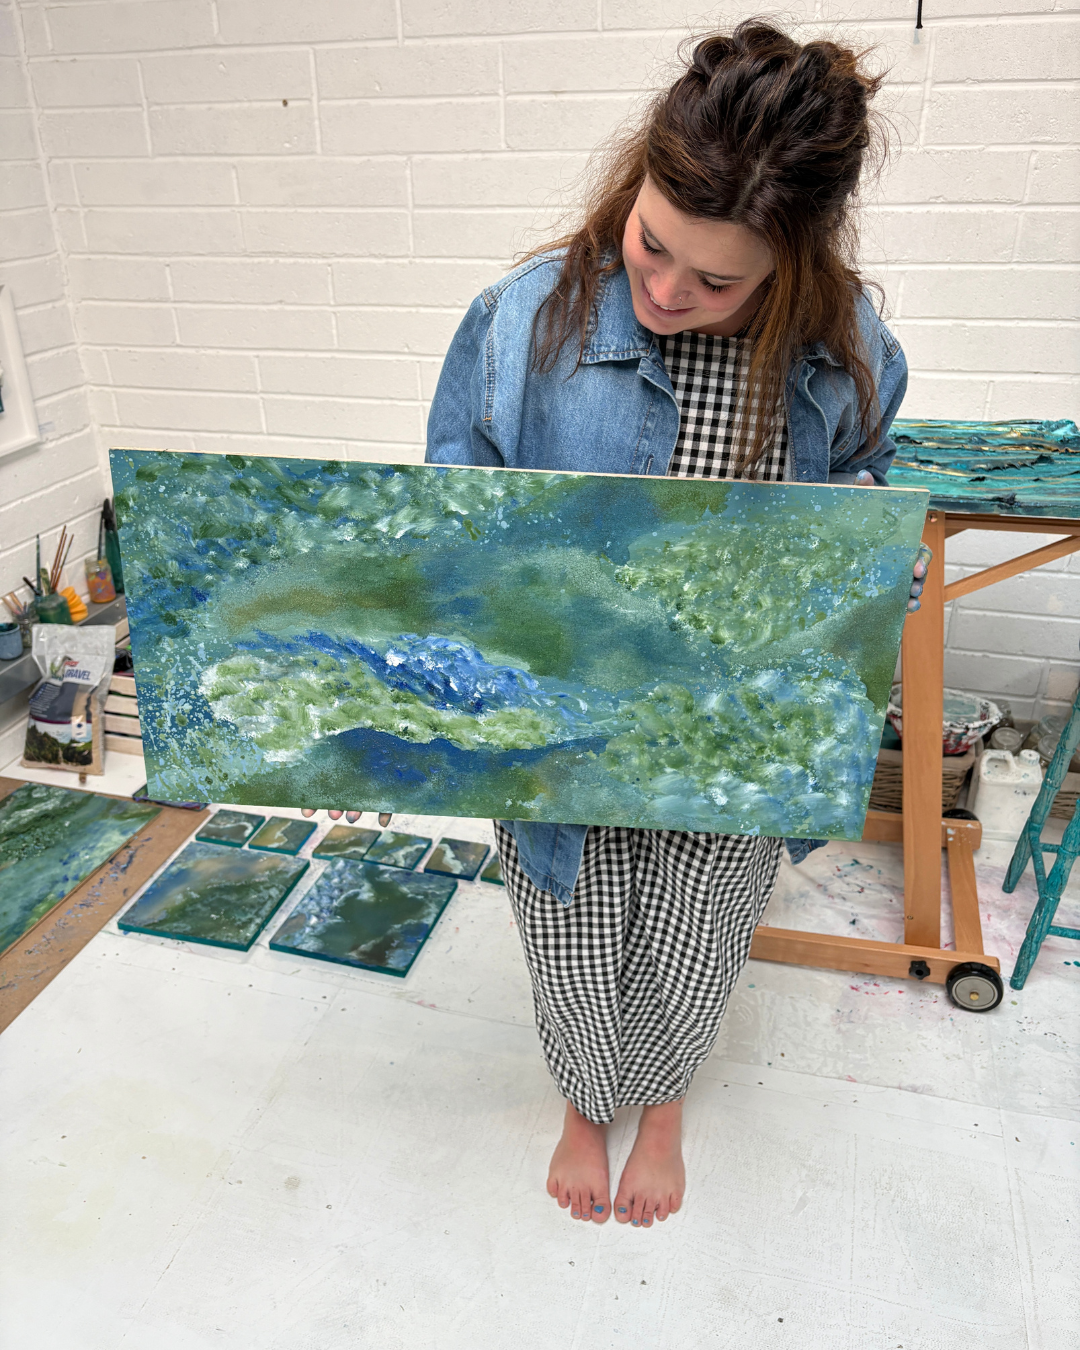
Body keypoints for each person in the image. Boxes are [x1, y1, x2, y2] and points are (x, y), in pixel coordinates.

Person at [311, 19, 930, 1230]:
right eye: (652, 244)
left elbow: (869, 504)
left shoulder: (851, 352)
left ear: (793, 260)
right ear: (635, 181)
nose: (667, 290)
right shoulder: (517, 322)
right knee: (572, 929)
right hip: (559, 717)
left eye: (718, 281)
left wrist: (869, 561)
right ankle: (585, 1099)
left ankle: (665, 1106)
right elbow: (445, 523)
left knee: (698, 936)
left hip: (736, 726)